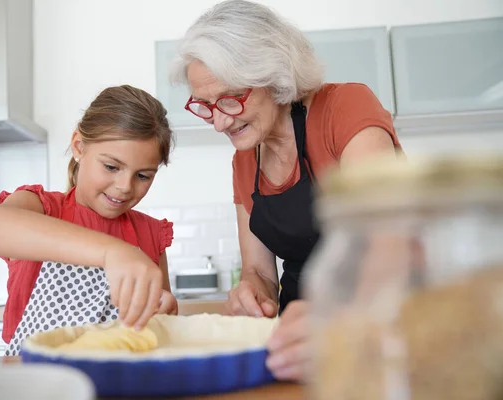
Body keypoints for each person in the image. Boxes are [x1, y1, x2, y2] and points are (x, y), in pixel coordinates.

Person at [171, 0, 403, 381]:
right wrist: (252, 293)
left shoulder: (344, 108)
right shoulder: (245, 161)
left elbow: (389, 245)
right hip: (299, 349)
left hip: (378, 333)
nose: (218, 122)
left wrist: (334, 322)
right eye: (206, 105)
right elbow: (259, 270)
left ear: (275, 77)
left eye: (231, 99)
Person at [0, 85, 177, 356]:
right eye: (112, 167)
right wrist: (112, 252)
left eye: (143, 175)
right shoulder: (42, 208)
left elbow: (158, 331)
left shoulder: (151, 232)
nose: (125, 186)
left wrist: (165, 313)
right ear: (79, 147)